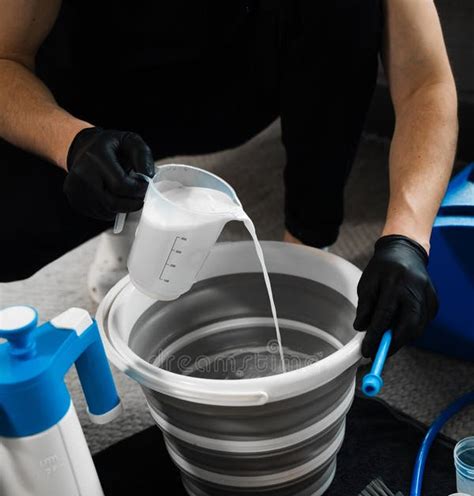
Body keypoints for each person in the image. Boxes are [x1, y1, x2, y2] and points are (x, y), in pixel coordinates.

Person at [0, 1, 457, 358]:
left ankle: (299, 257)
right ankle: (135, 201)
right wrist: (73, 143)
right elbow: (5, 58)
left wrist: (407, 237)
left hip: (237, 76)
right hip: (96, 89)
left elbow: (424, 80)